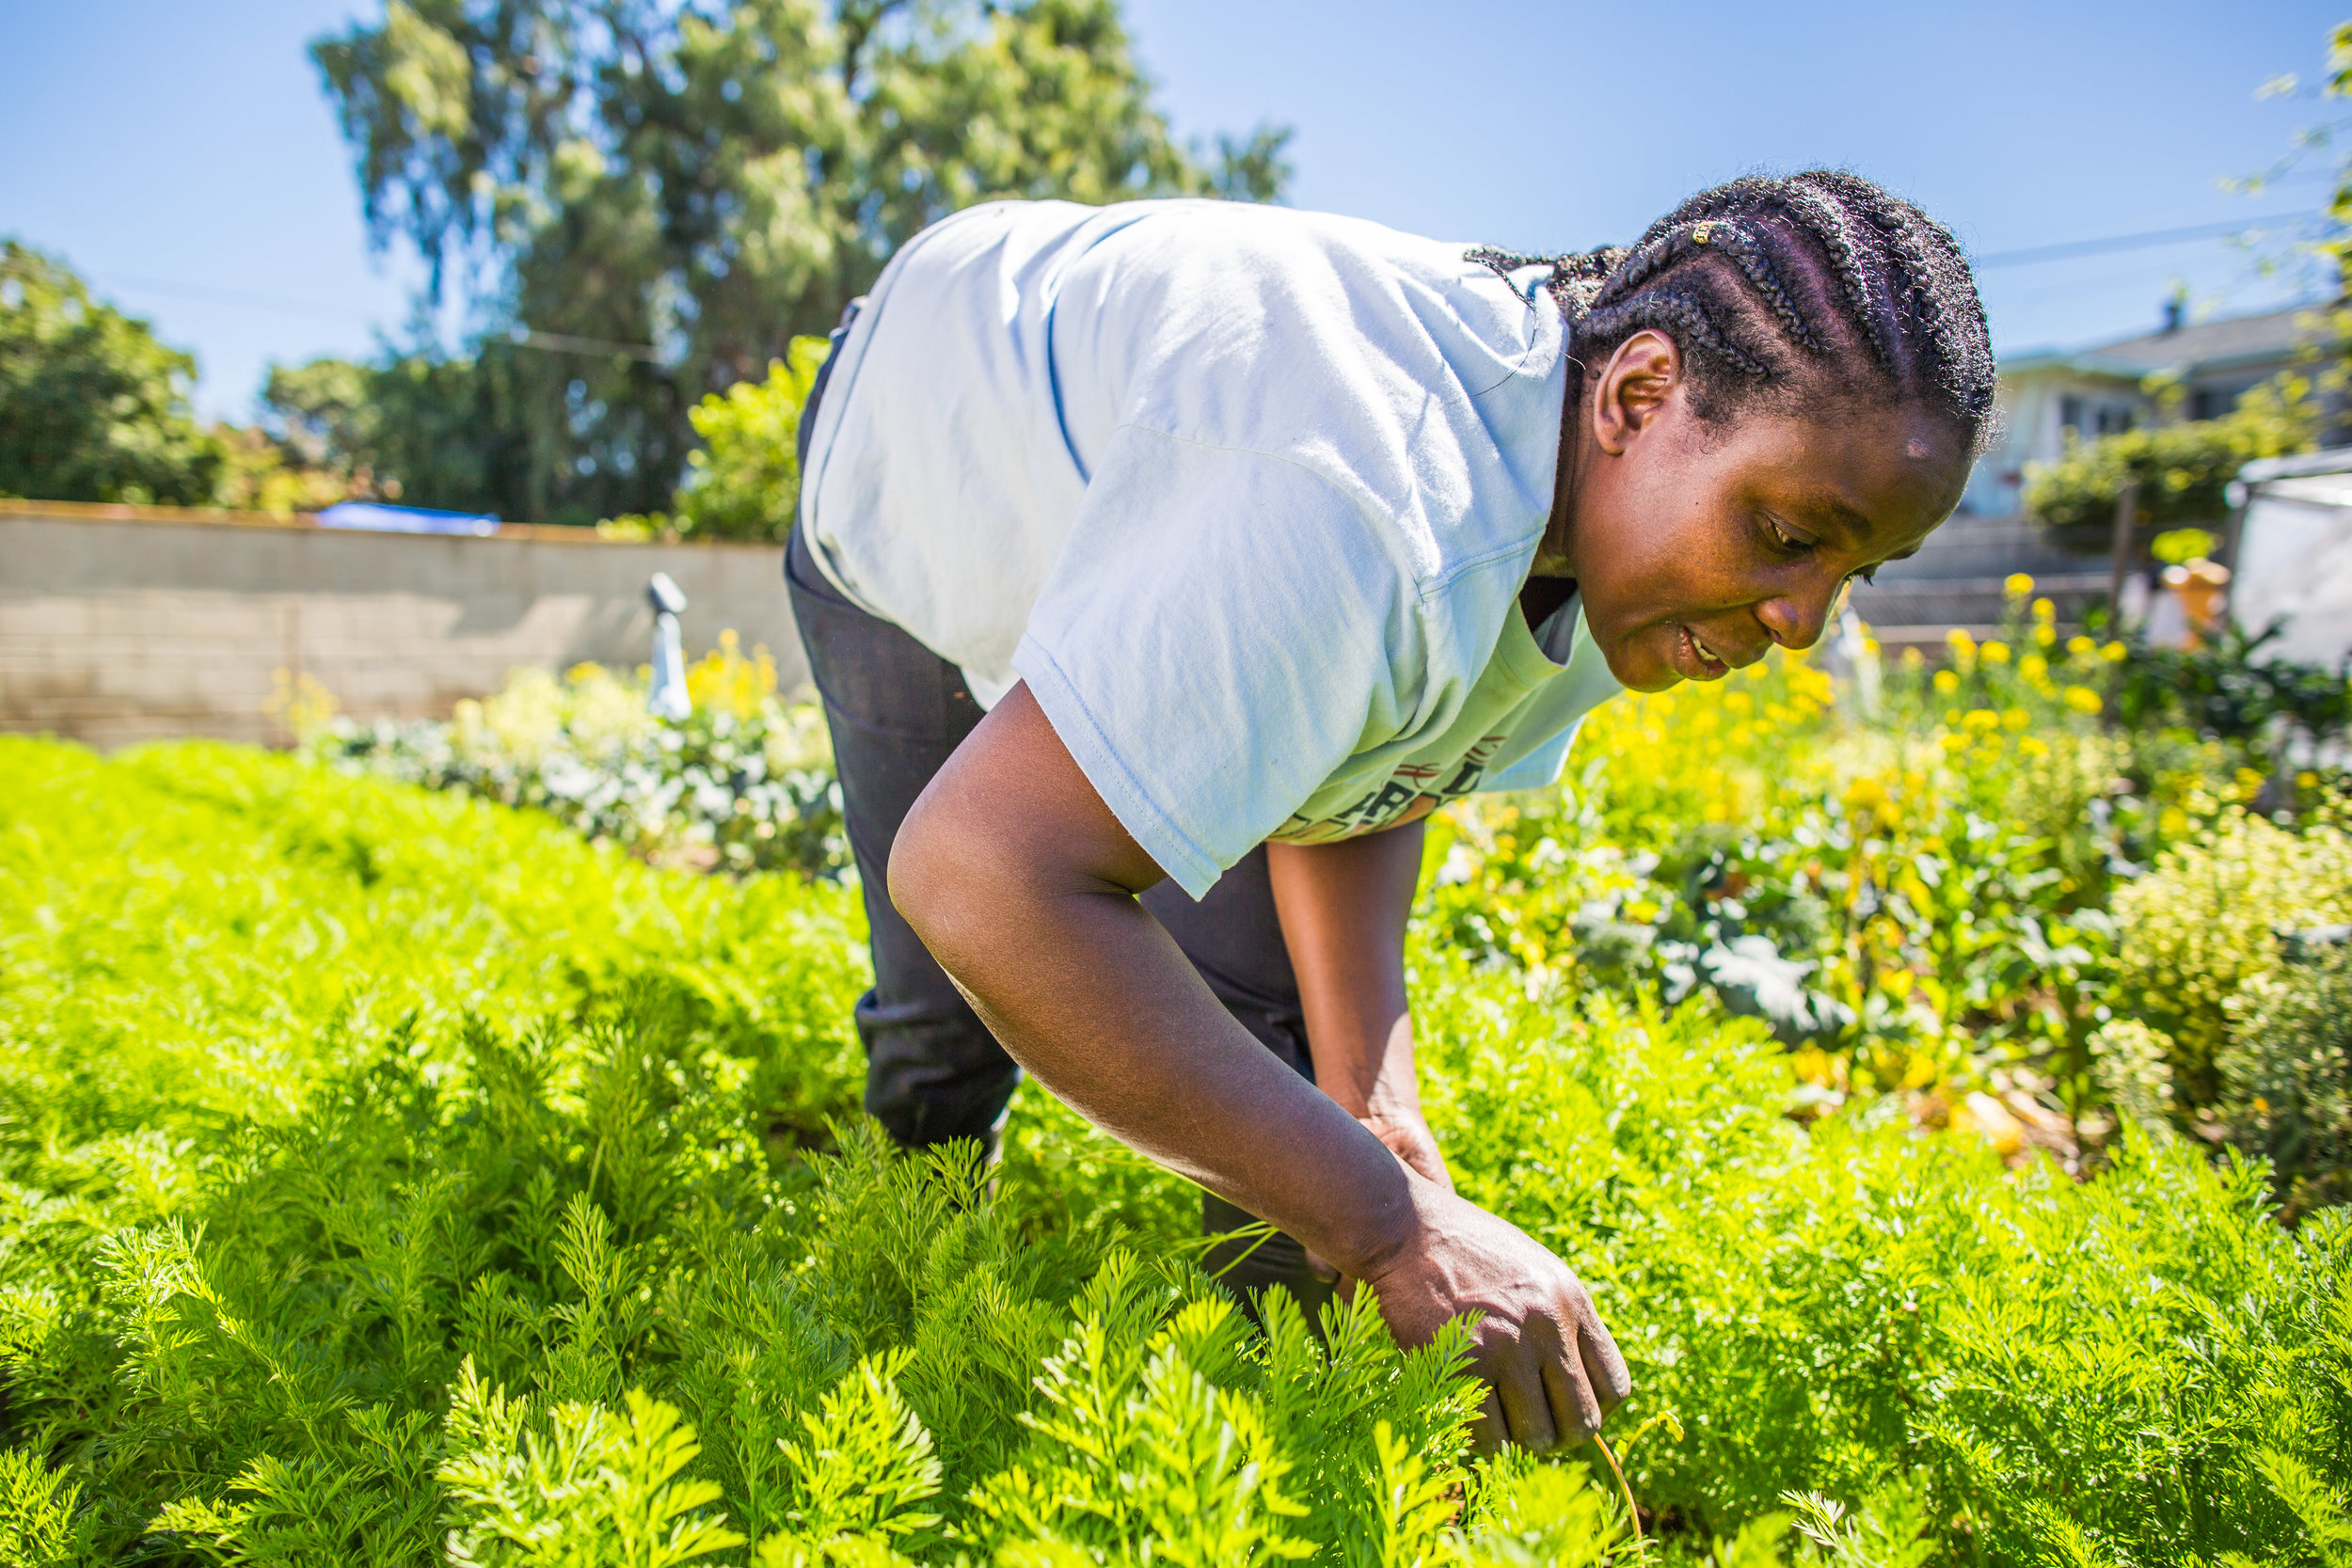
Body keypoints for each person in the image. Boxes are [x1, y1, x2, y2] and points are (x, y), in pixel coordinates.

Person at [787, 170, 1995, 1453]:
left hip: (1178, 491)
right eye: (1789, 531)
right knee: (950, 1007)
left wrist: (1374, 1106)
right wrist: (1388, 1224)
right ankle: (893, 1311)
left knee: (1290, 1049)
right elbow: (981, 874)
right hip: (924, 441)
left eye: (1852, 572)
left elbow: (1386, 750)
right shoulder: (1360, 495)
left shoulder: (1640, 559)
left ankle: (1267, 1448)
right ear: (1639, 395)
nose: (1803, 621)